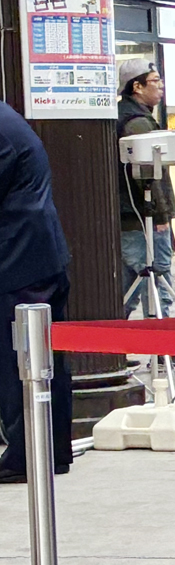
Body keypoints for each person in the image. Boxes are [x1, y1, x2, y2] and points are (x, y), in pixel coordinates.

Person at [0, 98, 72, 483]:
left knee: (20, 365)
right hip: (37, 257)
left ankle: (27, 455)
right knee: (46, 364)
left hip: (20, 263)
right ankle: (50, 450)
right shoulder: (7, 119)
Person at [117, 57, 175, 316]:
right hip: (143, 218)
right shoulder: (137, 123)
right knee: (157, 279)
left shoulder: (124, 117)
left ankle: (111, 347)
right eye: (155, 81)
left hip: (130, 218)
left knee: (129, 284)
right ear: (137, 87)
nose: (161, 86)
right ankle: (164, 347)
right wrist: (162, 215)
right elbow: (148, 175)